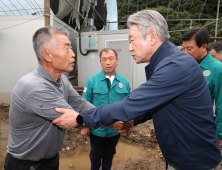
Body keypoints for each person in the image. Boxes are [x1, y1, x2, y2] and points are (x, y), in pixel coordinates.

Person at [53, 10, 221, 170]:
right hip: (182, 156)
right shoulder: (167, 63)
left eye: (132, 40)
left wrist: (81, 119)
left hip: (194, 162)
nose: (130, 47)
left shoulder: (175, 66)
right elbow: (155, 104)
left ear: (152, 37)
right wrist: (133, 121)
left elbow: (127, 106)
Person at [4, 26, 94, 170]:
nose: (73, 54)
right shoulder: (34, 87)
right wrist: (114, 121)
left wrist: (112, 116)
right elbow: (73, 118)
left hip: (50, 159)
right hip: (27, 164)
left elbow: (80, 104)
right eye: (67, 48)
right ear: (47, 55)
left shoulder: (61, 80)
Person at [81, 48, 130, 170]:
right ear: (100, 62)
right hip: (96, 129)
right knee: (95, 155)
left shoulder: (124, 82)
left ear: (117, 61)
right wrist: (85, 126)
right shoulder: (92, 80)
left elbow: (128, 105)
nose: (108, 62)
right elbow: (84, 104)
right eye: (104, 59)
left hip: (115, 130)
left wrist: (129, 123)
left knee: (109, 154)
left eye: (111, 59)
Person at [181, 28, 222, 145]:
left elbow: (220, 102)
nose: (185, 52)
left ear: (203, 47)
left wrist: (218, 132)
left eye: (189, 49)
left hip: (202, 127)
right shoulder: (184, 64)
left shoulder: (217, 68)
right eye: (183, 48)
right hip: (182, 125)